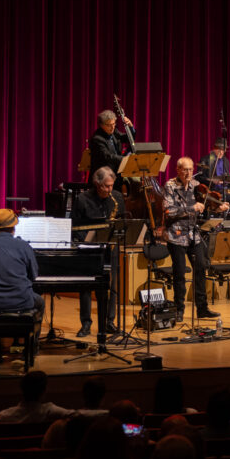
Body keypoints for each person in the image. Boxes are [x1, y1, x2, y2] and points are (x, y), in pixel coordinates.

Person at [0, 208, 45, 364]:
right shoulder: (24, 246)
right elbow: (33, 276)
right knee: (40, 302)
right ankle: (31, 347)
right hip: (21, 301)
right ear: (14, 227)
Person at [163, 157, 220, 319]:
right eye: (185, 169)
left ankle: (202, 309)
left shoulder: (196, 186)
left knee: (201, 268)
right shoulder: (170, 186)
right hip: (176, 235)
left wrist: (218, 206)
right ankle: (179, 310)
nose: (188, 173)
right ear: (178, 170)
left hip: (193, 235)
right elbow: (169, 211)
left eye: (190, 169)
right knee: (179, 273)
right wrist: (191, 208)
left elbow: (206, 204)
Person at [71, 166, 124, 337]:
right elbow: (75, 226)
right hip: (89, 250)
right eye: (106, 186)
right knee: (85, 287)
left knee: (113, 287)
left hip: (110, 249)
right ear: (96, 184)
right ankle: (86, 323)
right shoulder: (82, 199)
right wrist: (85, 241)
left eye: (111, 186)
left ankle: (110, 322)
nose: (110, 190)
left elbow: (120, 222)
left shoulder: (116, 197)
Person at [88, 109, 136, 190]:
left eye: (114, 124)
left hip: (116, 174)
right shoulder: (97, 139)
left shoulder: (114, 132)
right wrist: (125, 159)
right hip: (103, 178)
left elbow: (128, 138)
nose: (112, 127)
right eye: (109, 125)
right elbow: (108, 156)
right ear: (101, 125)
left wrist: (131, 127)